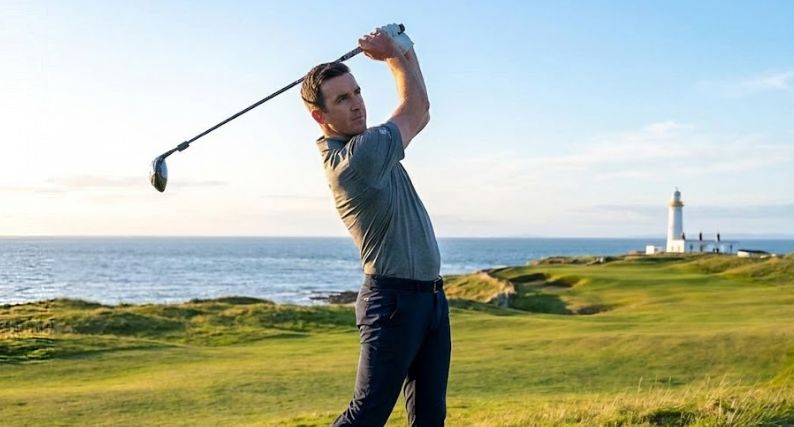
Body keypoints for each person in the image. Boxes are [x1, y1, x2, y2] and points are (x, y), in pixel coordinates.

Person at [300, 25, 451, 427]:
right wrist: (393, 55)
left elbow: (421, 111)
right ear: (320, 116)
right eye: (342, 99)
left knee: (430, 416)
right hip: (394, 302)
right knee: (366, 416)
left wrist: (403, 48)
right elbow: (415, 107)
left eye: (357, 92)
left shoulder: (371, 144)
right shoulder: (359, 158)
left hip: (429, 298)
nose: (357, 105)